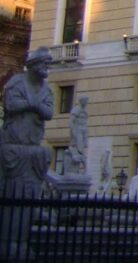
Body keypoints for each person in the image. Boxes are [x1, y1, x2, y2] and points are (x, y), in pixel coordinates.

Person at [1, 47, 54, 197]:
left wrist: (31, 105)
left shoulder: (47, 89)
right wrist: (36, 105)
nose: (47, 67)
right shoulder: (16, 82)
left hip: (34, 142)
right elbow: (11, 104)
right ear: (34, 65)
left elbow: (49, 113)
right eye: (44, 63)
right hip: (13, 143)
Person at [66, 95, 89, 175]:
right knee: (76, 147)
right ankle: (74, 166)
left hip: (83, 131)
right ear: (82, 101)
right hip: (77, 130)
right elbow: (71, 121)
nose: (86, 103)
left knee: (81, 149)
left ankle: (81, 168)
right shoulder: (76, 109)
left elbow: (85, 122)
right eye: (86, 101)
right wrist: (73, 132)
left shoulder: (84, 111)